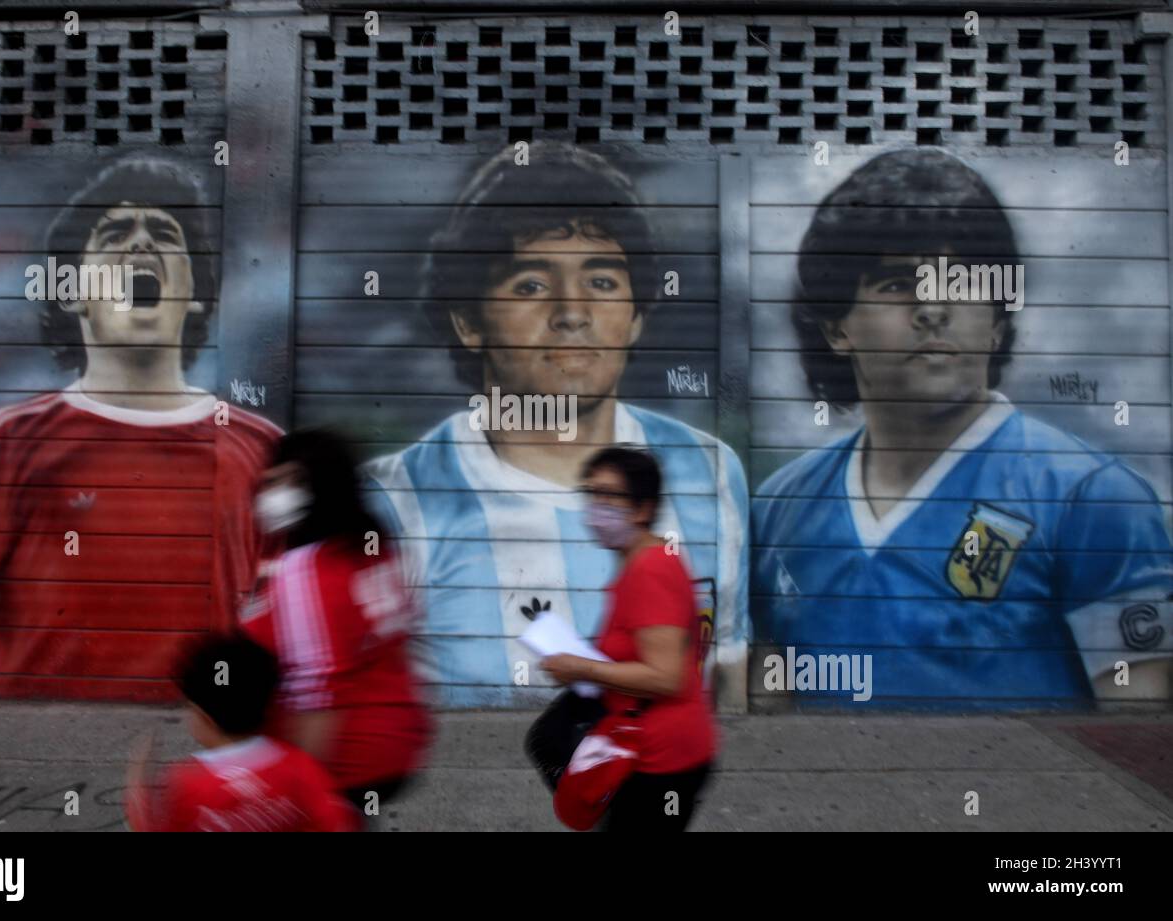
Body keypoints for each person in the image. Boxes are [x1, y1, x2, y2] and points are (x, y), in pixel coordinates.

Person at [752, 148, 1173, 708]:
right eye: (898, 284)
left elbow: (1139, 736)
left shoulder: (1091, 498)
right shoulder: (780, 504)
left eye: (963, 280)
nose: (933, 307)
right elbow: (771, 707)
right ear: (836, 328)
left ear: (998, 321)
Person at [365, 141, 748, 708]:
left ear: (636, 315)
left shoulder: (710, 469)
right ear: (469, 320)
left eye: (602, 282)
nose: (572, 311)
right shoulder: (394, 501)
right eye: (531, 286)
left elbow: (728, 678)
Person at [0, 155, 281, 700]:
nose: (141, 244)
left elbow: (284, 647)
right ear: (74, 291)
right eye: (114, 234)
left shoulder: (262, 448)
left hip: (191, 769)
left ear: (197, 291)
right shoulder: (3, 440)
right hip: (28, 776)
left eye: (165, 233)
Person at [241, 429, 433, 815]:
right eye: (270, 482)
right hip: (396, 746)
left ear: (318, 485)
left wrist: (295, 797)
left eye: (285, 481)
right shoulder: (371, 548)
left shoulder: (306, 569)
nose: (270, 493)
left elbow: (318, 692)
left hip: (343, 760)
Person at [540, 446, 715, 831]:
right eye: (592, 492)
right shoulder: (636, 561)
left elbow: (667, 677)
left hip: (663, 760)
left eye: (610, 495)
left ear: (642, 509)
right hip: (639, 748)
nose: (596, 506)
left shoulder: (651, 569)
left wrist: (581, 667)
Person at [126, 635, 358, 832]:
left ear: (204, 718)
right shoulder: (301, 767)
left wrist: (137, 785)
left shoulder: (187, 784)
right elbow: (339, 822)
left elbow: (152, 826)